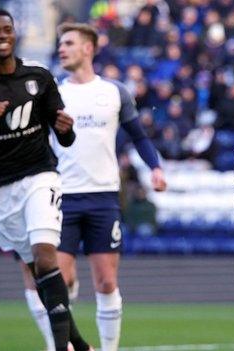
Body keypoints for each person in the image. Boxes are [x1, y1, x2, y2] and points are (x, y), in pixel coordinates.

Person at [0, 8, 92, 351]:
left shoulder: (39, 76)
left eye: (6, 29)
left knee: (45, 255)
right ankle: (79, 345)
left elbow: (64, 136)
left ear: (15, 33)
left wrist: (67, 132)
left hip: (40, 177)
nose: (2, 35)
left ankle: (58, 347)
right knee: (37, 270)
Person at [53, 22, 166, 351]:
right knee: (59, 282)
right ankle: (64, 342)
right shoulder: (54, 94)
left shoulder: (114, 92)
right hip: (62, 198)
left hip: (103, 198)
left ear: (88, 48)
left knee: (106, 281)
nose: (62, 49)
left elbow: (139, 136)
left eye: (69, 43)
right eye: (60, 43)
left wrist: (156, 167)